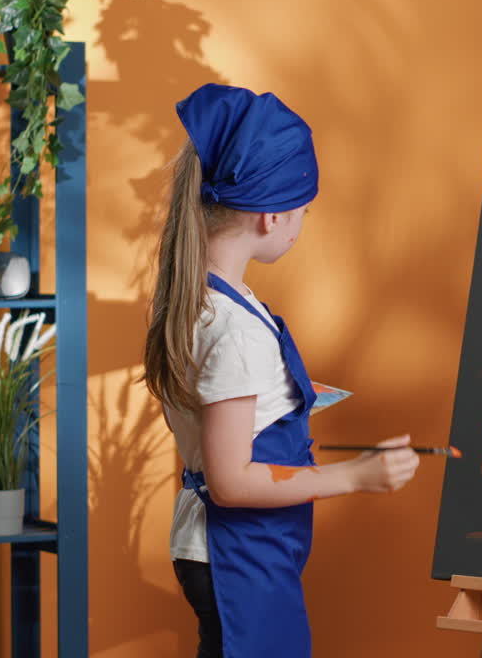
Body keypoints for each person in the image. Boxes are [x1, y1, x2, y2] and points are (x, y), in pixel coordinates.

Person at [142, 83, 421, 658]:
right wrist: (356, 477)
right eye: (303, 210)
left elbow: (212, 406)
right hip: (234, 553)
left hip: (225, 550)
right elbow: (232, 479)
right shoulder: (236, 330)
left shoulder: (204, 300)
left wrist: (286, 394)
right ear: (272, 216)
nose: (302, 222)